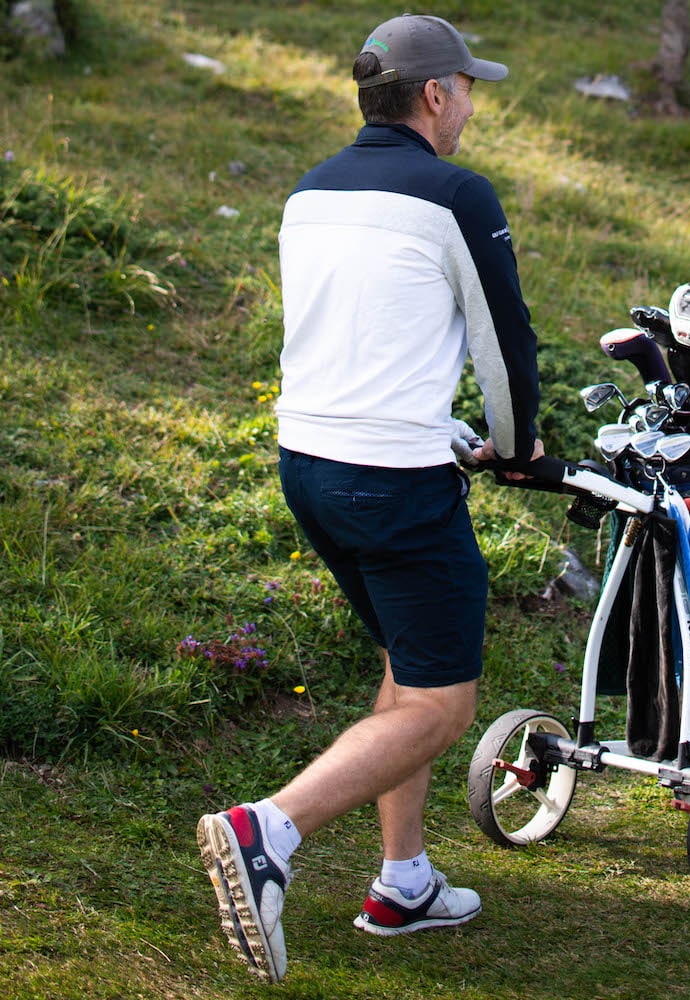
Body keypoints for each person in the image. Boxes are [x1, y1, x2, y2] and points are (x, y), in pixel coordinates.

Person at [196, 13, 544, 984]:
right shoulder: (455, 193)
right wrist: (516, 448)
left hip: (307, 462)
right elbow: (503, 345)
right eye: (469, 87)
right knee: (440, 702)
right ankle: (268, 830)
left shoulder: (310, 192)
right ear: (435, 95)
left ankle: (405, 880)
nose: (471, 104)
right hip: (393, 480)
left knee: (406, 658)